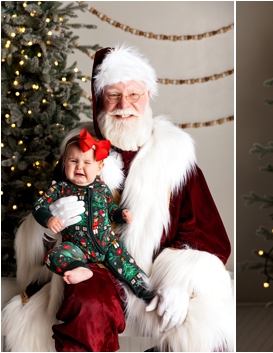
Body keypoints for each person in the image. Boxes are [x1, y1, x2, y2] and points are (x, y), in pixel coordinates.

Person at [2, 44, 234, 352]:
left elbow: (205, 232)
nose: (124, 104)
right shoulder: (77, 153)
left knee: (205, 331)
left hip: (154, 273)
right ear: (100, 101)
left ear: (147, 97)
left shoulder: (176, 158)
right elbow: (45, 228)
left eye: (134, 95)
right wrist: (48, 226)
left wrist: (181, 281)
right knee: (87, 305)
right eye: (114, 95)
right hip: (93, 266)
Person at [35, 131, 154, 304]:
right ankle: (79, 269)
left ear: (99, 167)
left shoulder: (101, 188)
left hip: (107, 243)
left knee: (127, 265)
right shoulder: (60, 189)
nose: (79, 167)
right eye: (73, 161)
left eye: (87, 162)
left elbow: (110, 210)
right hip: (76, 247)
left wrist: (121, 215)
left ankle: (147, 292)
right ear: (64, 163)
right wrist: (48, 218)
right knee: (53, 257)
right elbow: (39, 205)